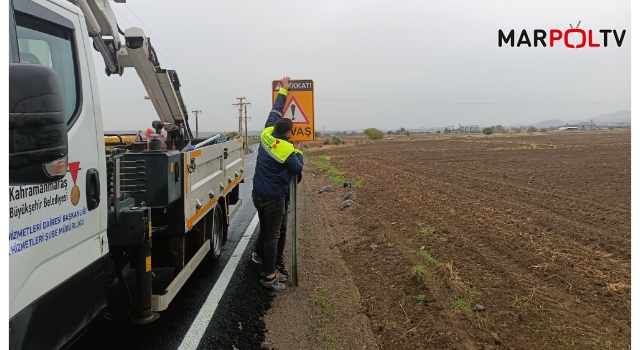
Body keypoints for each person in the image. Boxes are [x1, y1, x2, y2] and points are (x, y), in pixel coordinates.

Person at [252, 76, 303, 291]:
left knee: (267, 229)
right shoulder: (287, 150)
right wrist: (299, 149)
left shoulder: (265, 133)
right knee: (274, 234)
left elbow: (275, 110)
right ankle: (269, 274)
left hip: (258, 194)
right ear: (288, 134)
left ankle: (259, 255)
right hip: (274, 198)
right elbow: (297, 170)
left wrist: (284, 90)